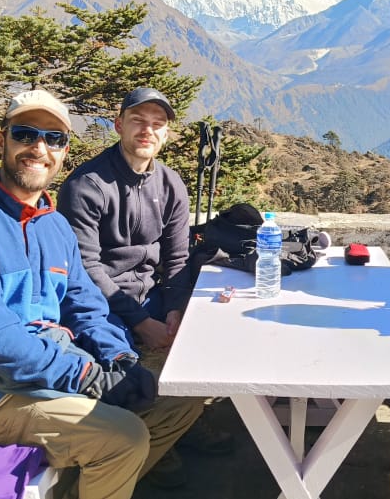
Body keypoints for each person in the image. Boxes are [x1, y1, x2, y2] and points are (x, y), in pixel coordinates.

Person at [0, 89, 202, 498]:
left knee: (179, 402)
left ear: (64, 150)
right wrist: (89, 377)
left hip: (46, 373)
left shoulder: (52, 224)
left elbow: (86, 307)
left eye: (54, 139)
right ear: (1, 141)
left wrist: (119, 357)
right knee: (124, 438)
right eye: (25, 134)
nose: (39, 148)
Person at [57, 87, 232, 483]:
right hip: (101, 306)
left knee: (204, 348)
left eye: (157, 124)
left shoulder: (170, 184)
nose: (147, 130)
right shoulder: (87, 185)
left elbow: (177, 259)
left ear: (166, 134)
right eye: (138, 120)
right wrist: (140, 322)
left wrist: (174, 310)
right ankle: (146, 448)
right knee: (129, 376)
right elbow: (85, 267)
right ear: (119, 125)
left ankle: (178, 429)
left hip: (151, 297)